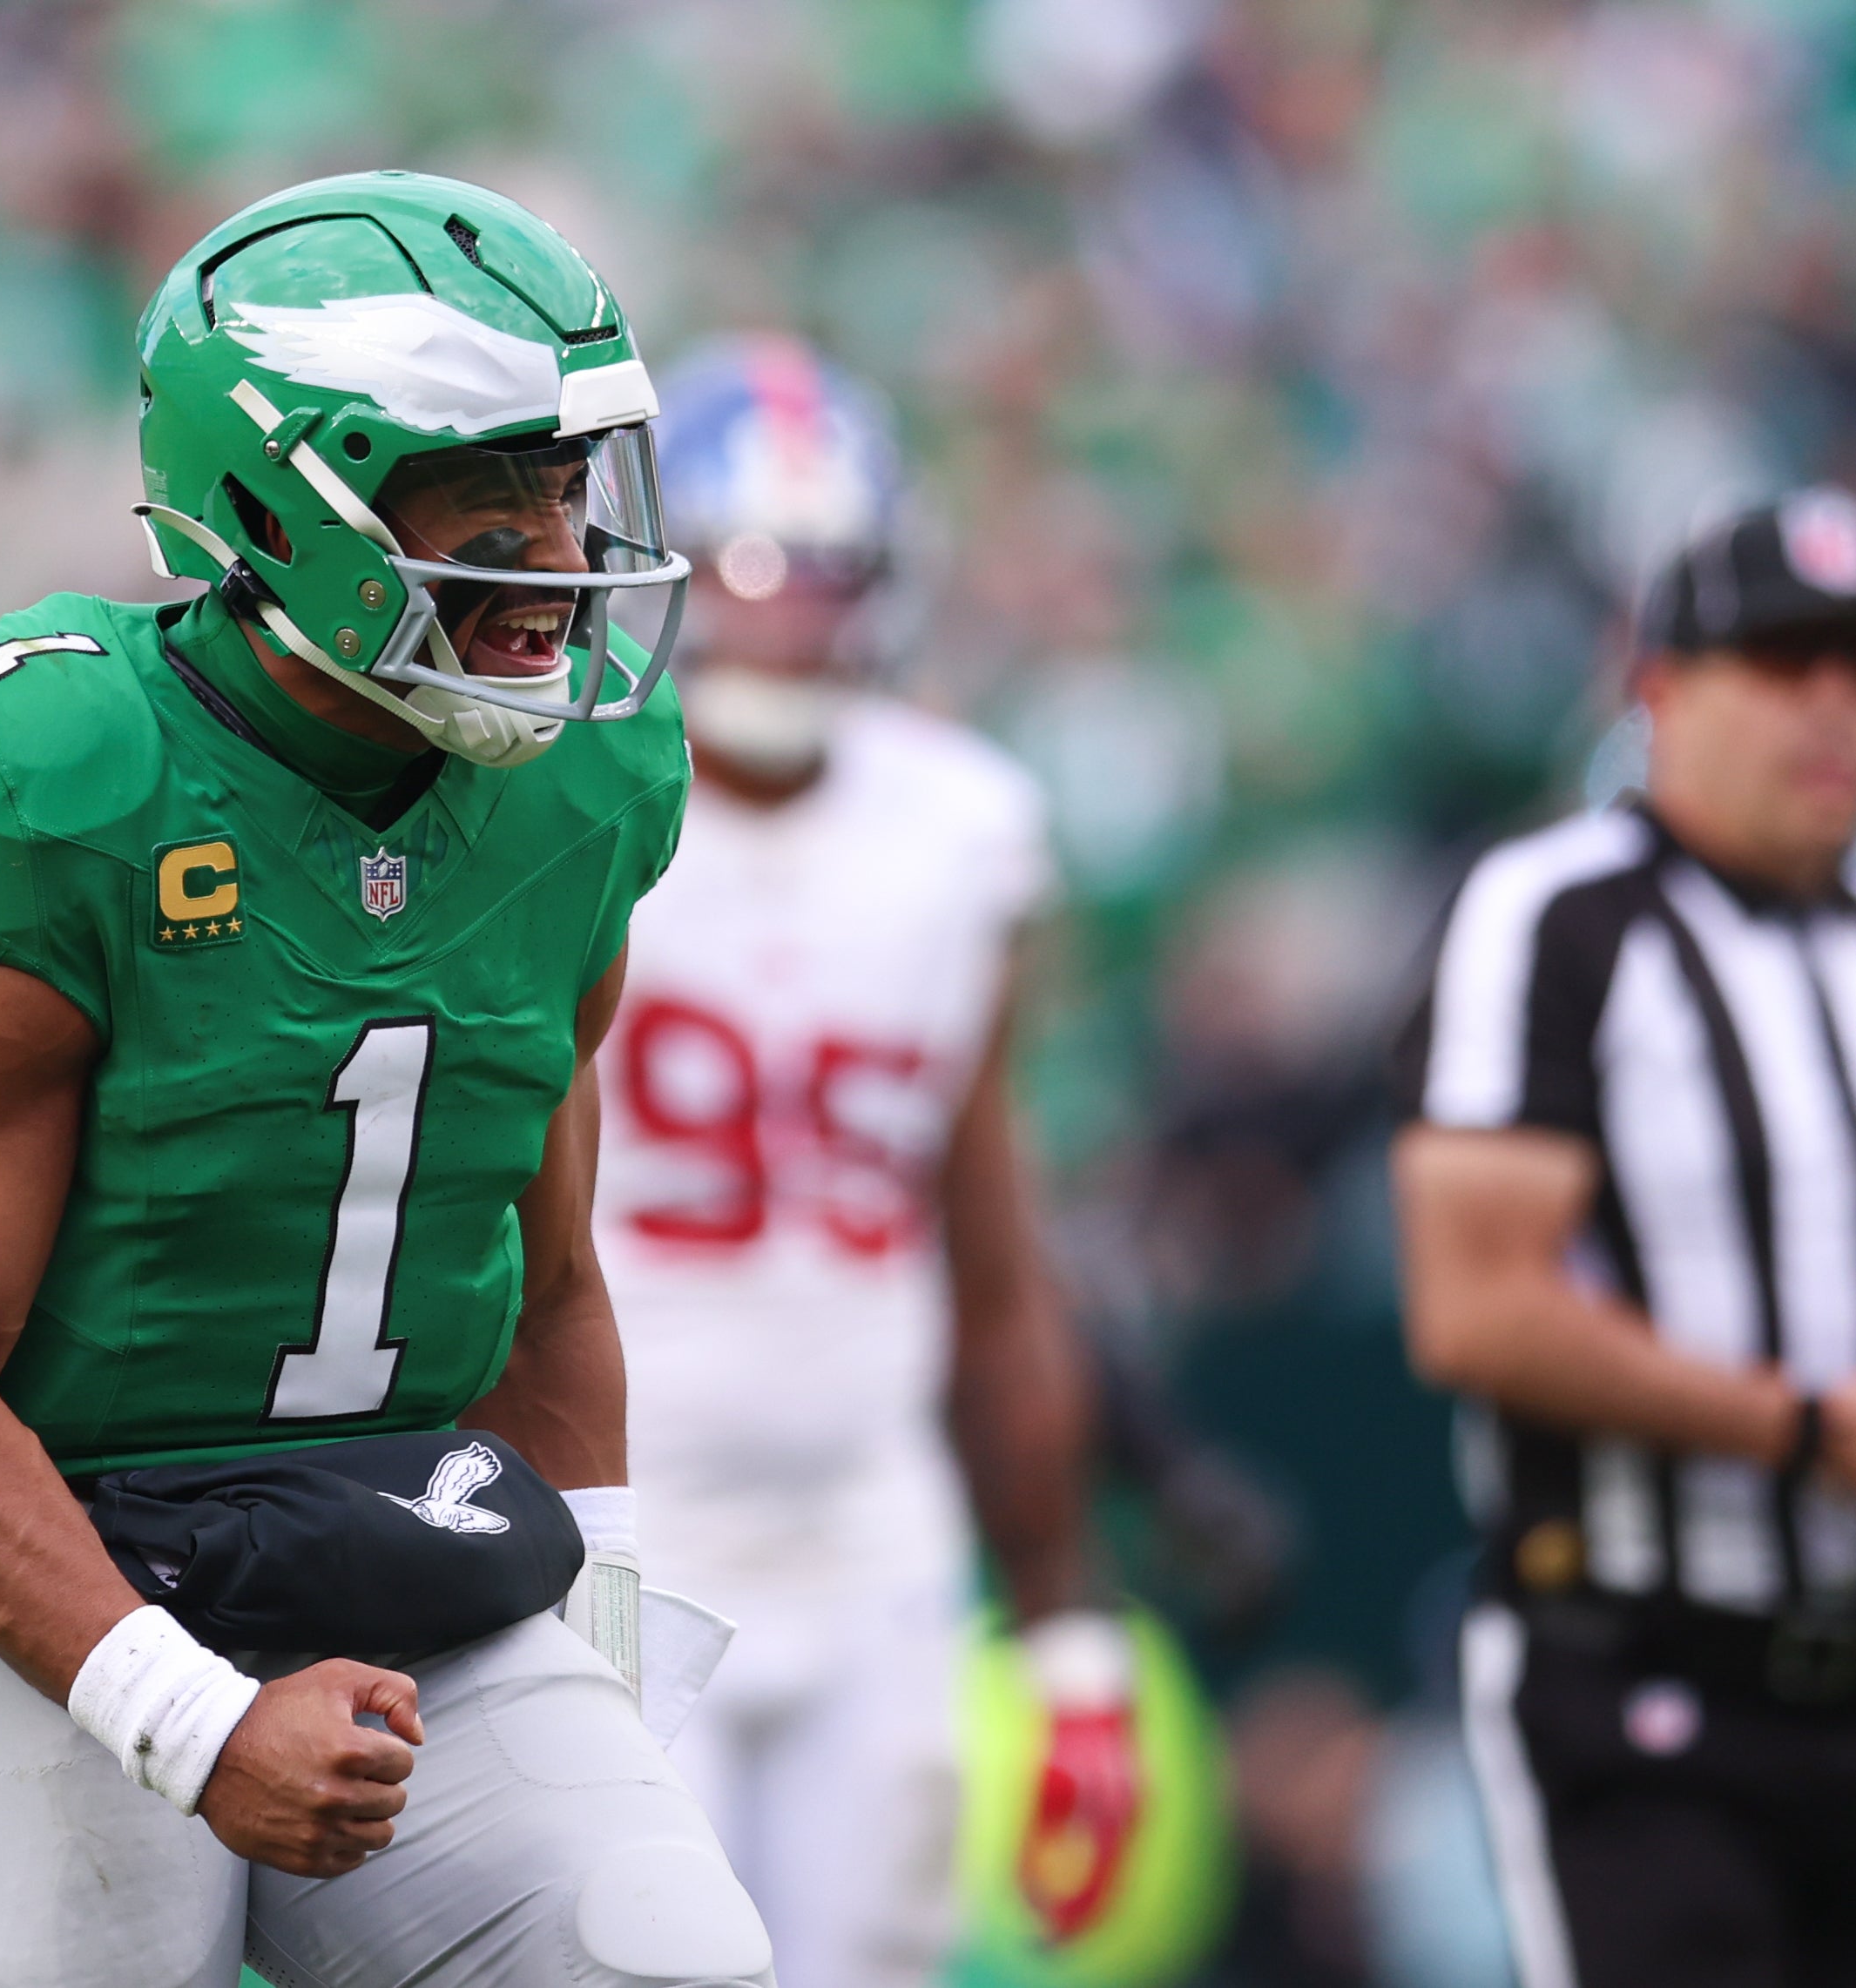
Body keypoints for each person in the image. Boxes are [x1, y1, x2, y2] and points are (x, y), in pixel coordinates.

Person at [0, 172, 775, 1988]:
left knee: (661, 1950)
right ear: (284, 495)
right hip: (57, 1544)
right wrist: (187, 1716)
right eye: (484, 487)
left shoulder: (583, 785)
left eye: (569, 480)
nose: (559, 551)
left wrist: (614, 1626)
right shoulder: (58, 779)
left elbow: (548, 1270)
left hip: (400, 1515)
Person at [591, 336, 1137, 1988]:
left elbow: (993, 1251)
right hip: (626, 1530)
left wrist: (1067, 1636)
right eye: (745, 568)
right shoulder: (568, 798)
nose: (784, 614)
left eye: (825, 572)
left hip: (873, 1534)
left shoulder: (959, 828)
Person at [1394, 490, 1856, 1988]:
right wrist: (1793, 1429)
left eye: (1855, 669)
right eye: (1784, 664)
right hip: (1648, 1679)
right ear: (1659, 687)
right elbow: (1471, 1309)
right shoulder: (1555, 916)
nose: (1830, 710)